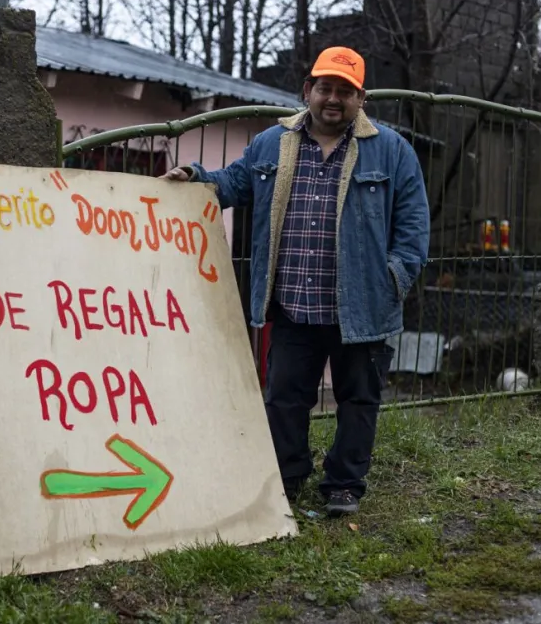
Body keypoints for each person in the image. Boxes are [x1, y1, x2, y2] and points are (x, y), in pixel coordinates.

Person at [160, 46, 429, 516]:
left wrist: (394, 279)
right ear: (307, 90)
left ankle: (344, 485)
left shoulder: (392, 150)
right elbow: (235, 182)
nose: (333, 99)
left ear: (360, 99)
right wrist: (197, 177)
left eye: (345, 91)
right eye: (325, 87)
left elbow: (413, 227)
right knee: (285, 399)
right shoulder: (272, 143)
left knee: (358, 401)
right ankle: (287, 477)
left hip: (362, 306)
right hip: (292, 303)